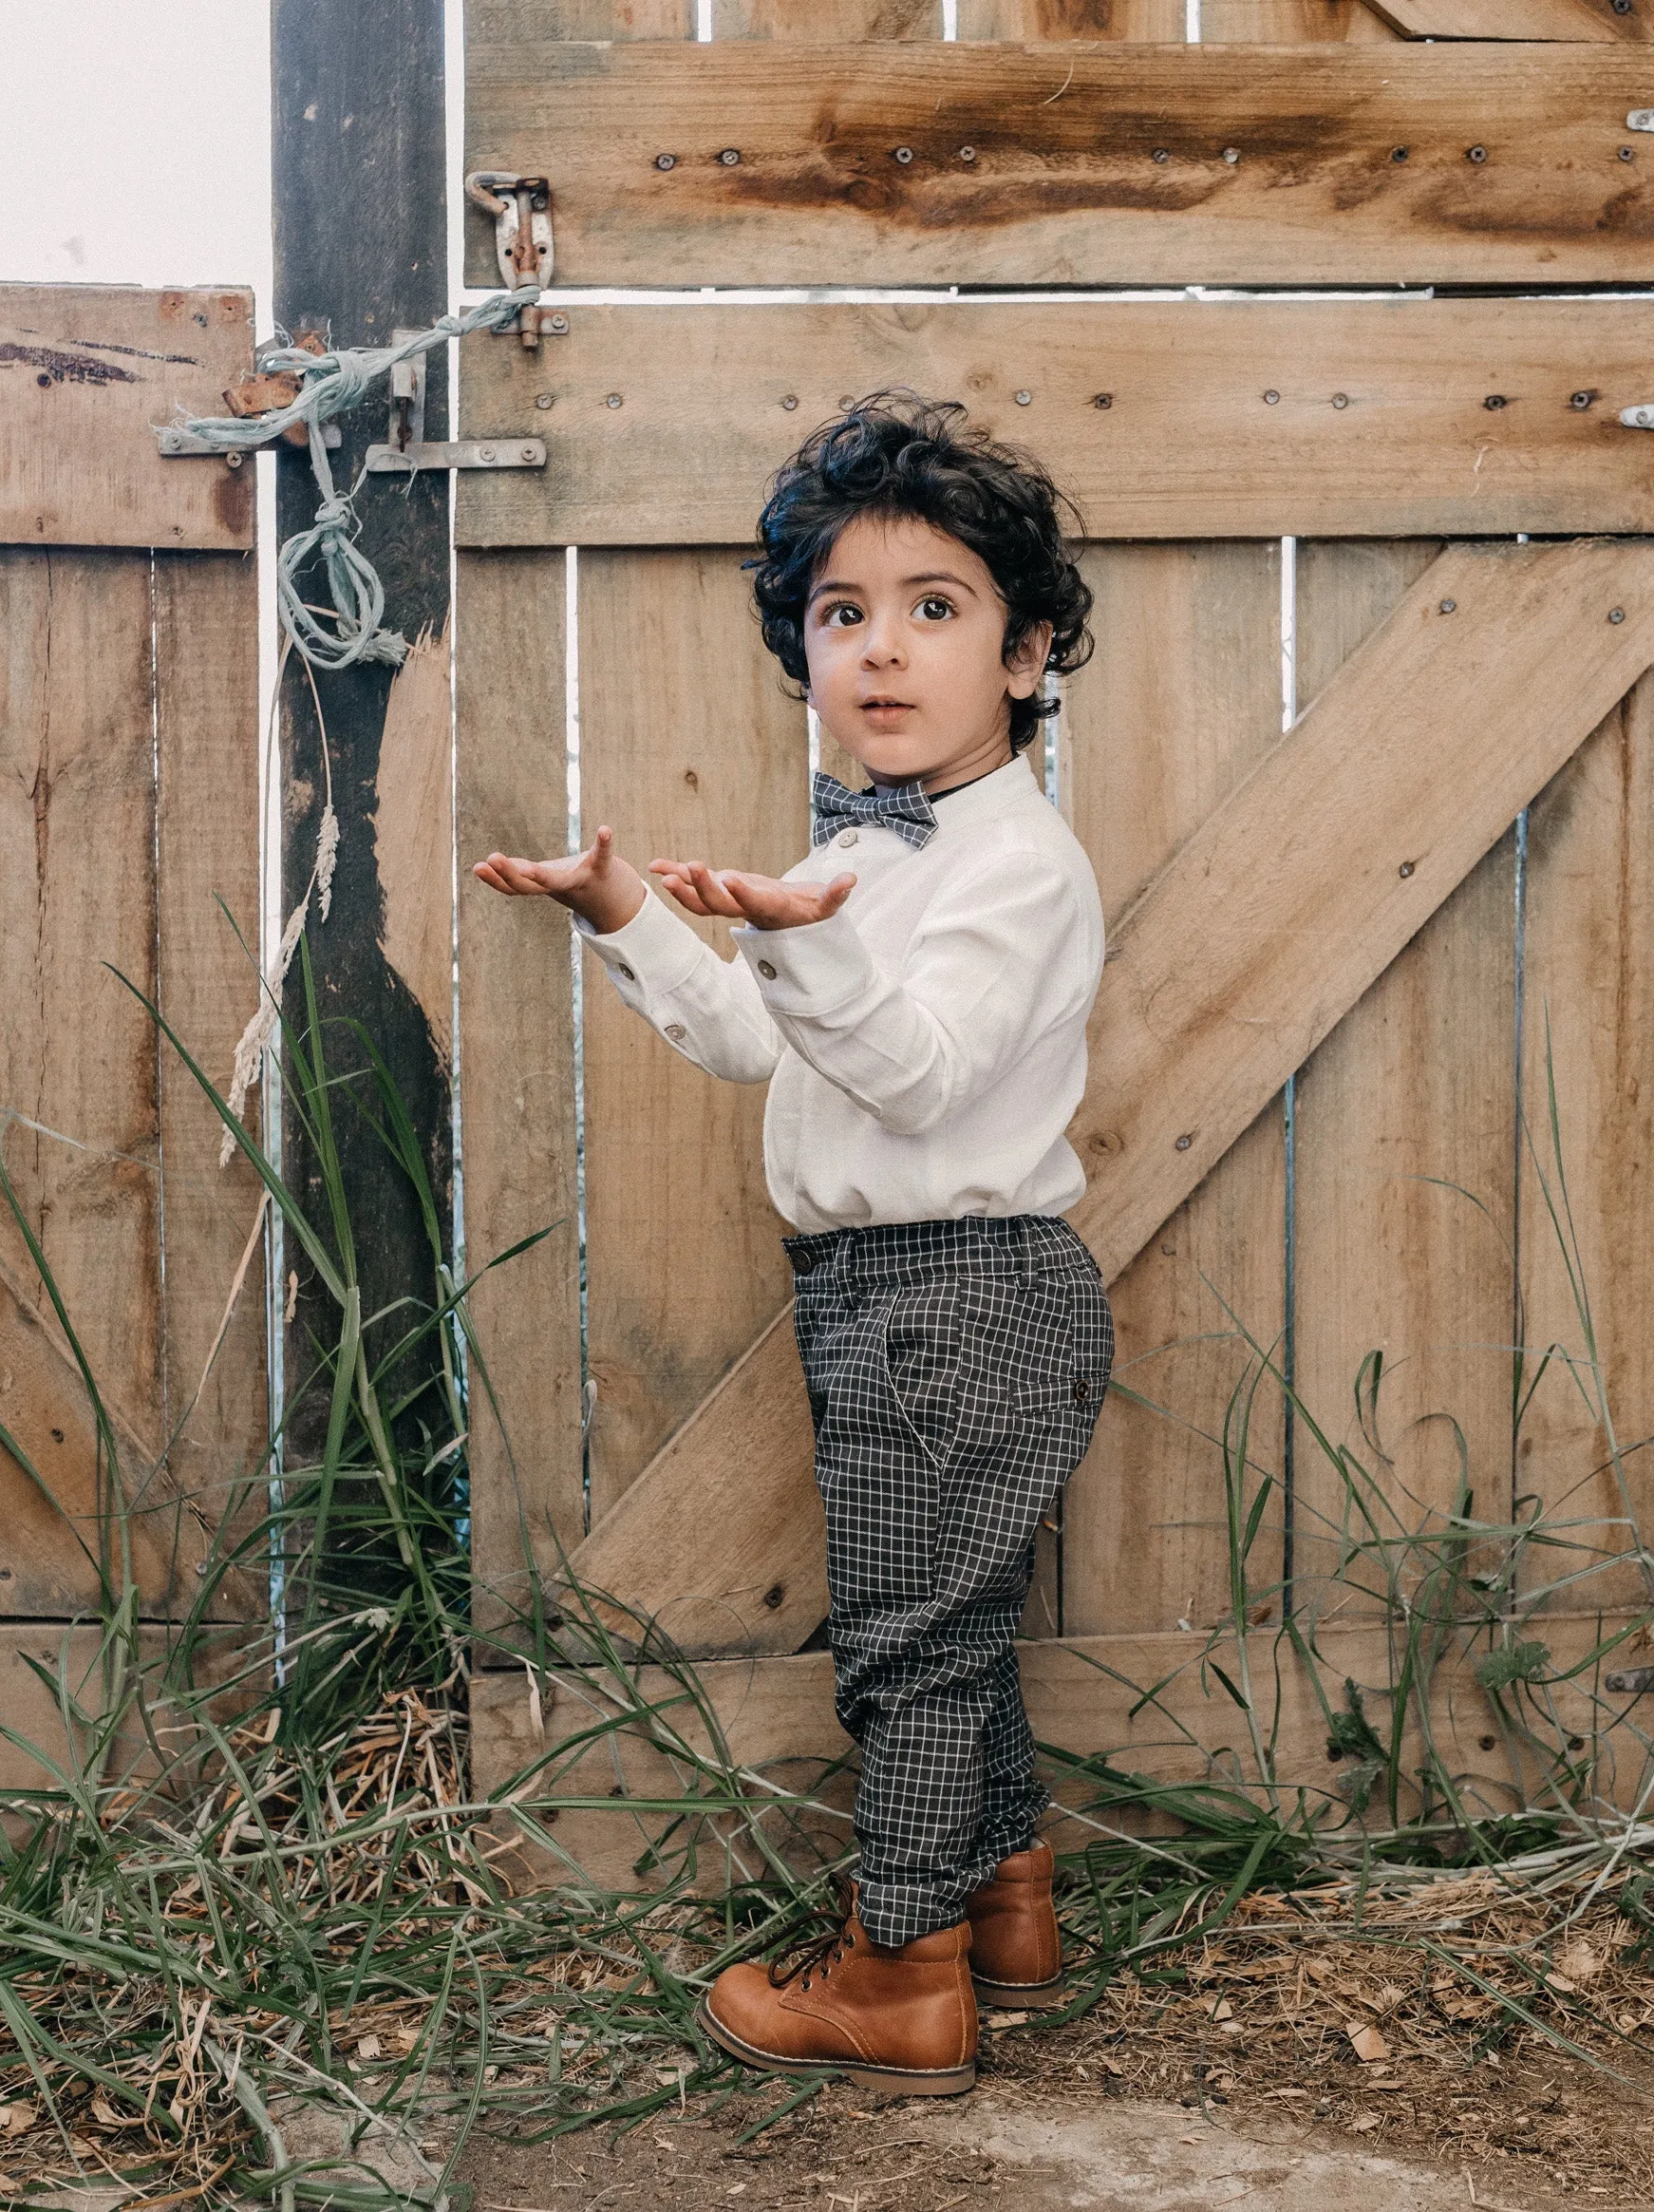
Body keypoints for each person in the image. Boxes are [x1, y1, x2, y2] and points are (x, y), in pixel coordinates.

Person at [474, 392, 1114, 2096]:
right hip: (880, 1296)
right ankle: (1005, 1904)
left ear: (1026, 653)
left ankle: (898, 1977)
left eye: (936, 609)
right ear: (805, 653)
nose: (882, 654)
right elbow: (761, 1046)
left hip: (960, 1298)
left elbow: (914, 1077)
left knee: (908, 1644)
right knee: (945, 1628)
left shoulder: (1017, 867)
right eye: (845, 617)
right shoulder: (859, 854)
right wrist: (628, 911)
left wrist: (801, 938)